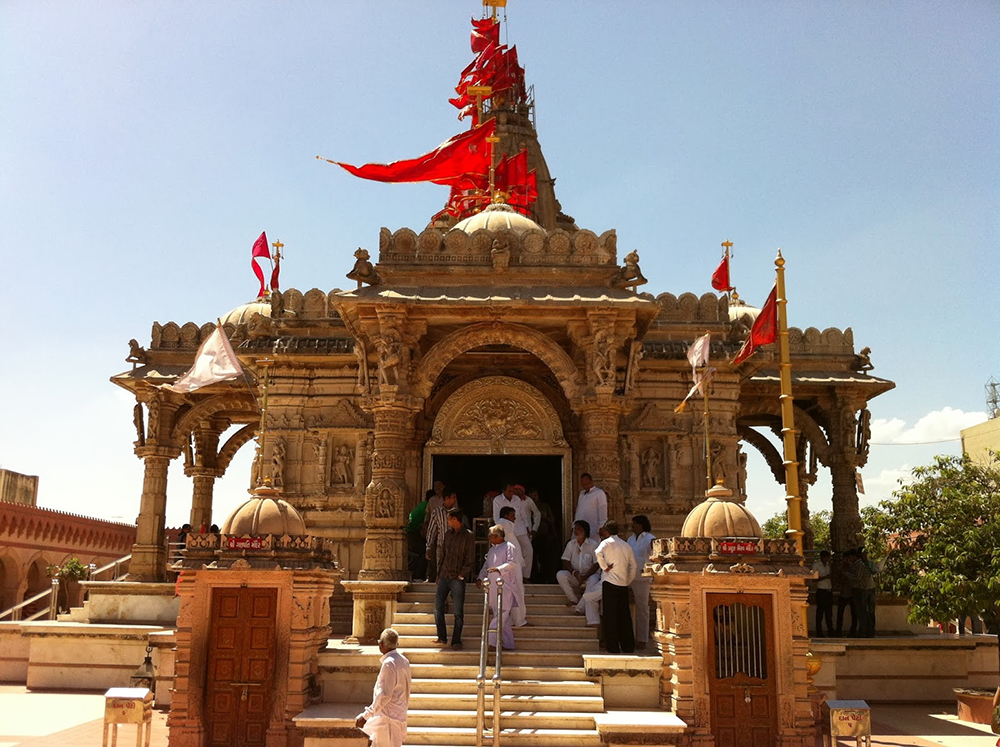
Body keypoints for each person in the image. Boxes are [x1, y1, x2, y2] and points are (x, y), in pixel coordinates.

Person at [356, 628, 411, 747]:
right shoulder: (404, 661)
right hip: (397, 717)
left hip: (388, 720)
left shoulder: (389, 663)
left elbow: (384, 695)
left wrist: (366, 716)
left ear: (381, 645)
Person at [433, 508, 475, 650]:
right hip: (444, 575)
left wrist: (462, 574)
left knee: (458, 611)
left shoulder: (468, 536)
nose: (447, 521)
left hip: (457, 577)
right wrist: (438, 575)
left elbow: (470, 558)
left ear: (455, 519)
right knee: (438, 607)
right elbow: (443, 555)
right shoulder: (448, 535)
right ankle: (441, 636)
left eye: (449, 518)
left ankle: (456, 640)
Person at [476, 525, 520, 650]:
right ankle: (508, 644)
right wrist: (480, 577)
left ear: (498, 536)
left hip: (505, 586)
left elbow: (512, 563)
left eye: (492, 536)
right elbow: (486, 566)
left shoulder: (509, 547)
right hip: (493, 586)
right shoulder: (492, 550)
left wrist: (498, 569)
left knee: (502, 614)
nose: (490, 538)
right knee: (502, 617)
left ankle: (492, 642)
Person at [595, 520, 636, 654]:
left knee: (610, 615)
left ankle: (612, 646)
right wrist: (628, 580)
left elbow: (598, 553)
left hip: (610, 583)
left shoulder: (606, 543)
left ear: (606, 531)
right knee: (624, 615)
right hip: (623, 584)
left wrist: (605, 567)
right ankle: (628, 646)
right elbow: (633, 566)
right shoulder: (626, 546)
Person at [497, 506, 528, 626]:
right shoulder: (504, 524)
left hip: (510, 563)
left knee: (510, 592)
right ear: (506, 516)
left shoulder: (506, 525)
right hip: (511, 564)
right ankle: (519, 619)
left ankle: (512, 619)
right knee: (518, 590)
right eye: (512, 515)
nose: (514, 517)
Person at [627, 515, 655, 649]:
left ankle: (642, 638)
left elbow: (654, 553)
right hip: (630, 576)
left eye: (635, 524)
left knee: (642, 607)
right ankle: (629, 635)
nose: (632, 526)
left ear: (641, 525)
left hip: (643, 577)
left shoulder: (649, 538)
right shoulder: (630, 539)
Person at [556, 520, 599, 606]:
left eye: (579, 529)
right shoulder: (571, 544)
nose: (576, 531)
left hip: (589, 576)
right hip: (575, 575)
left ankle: (580, 607)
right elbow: (565, 560)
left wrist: (585, 576)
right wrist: (574, 572)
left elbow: (597, 564)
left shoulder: (593, 544)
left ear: (585, 531)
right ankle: (573, 599)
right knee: (560, 574)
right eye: (575, 529)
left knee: (594, 579)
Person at [425, 492, 461, 583]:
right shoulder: (436, 512)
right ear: (447, 498)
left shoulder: (457, 513)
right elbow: (432, 530)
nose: (455, 500)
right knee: (441, 569)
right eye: (453, 497)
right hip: (441, 545)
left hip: (456, 546)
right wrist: (429, 546)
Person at [512, 485, 540, 581]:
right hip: (512, 531)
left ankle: (525, 576)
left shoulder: (528, 500)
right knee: (514, 553)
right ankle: (514, 577)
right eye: (515, 490)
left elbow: (537, 514)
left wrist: (534, 529)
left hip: (525, 532)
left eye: (518, 490)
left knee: (528, 552)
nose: (516, 491)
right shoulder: (511, 500)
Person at [574, 473, 607, 542]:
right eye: (583, 485)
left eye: (587, 484)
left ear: (591, 481)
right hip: (579, 529)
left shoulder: (599, 493)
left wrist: (601, 527)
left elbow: (603, 511)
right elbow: (578, 510)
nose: (585, 486)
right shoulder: (582, 494)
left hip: (593, 529)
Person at [407, 491, 431, 581]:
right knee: (422, 553)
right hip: (413, 532)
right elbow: (426, 523)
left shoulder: (421, 505)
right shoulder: (427, 506)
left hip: (410, 530)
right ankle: (418, 575)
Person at [811, 550, 834, 637]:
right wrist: (825, 577)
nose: (827, 559)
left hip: (828, 590)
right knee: (820, 612)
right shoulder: (816, 566)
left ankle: (830, 630)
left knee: (829, 612)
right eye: (826, 557)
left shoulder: (828, 566)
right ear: (822, 557)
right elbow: (814, 579)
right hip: (821, 591)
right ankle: (819, 631)